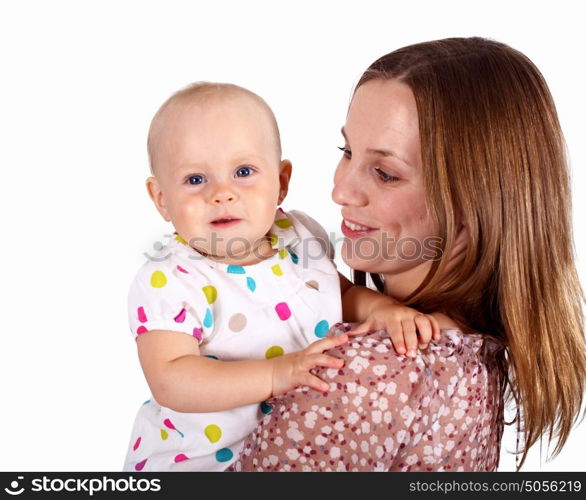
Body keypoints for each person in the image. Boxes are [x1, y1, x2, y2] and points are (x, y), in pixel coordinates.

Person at [229, 37, 586, 471]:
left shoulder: (362, 370)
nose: (340, 190)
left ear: (477, 202)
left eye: (385, 173)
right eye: (347, 152)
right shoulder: (474, 355)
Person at [122, 82, 440, 471]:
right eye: (194, 180)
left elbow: (336, 291)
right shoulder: (170, 279)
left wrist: (382, 309)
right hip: (197, 466)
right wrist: (277, 374)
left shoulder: (298, 235)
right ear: (161, 199)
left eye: (243, 172)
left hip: (291, 449)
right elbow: (171, 379)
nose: (222, 193)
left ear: (282, 182)